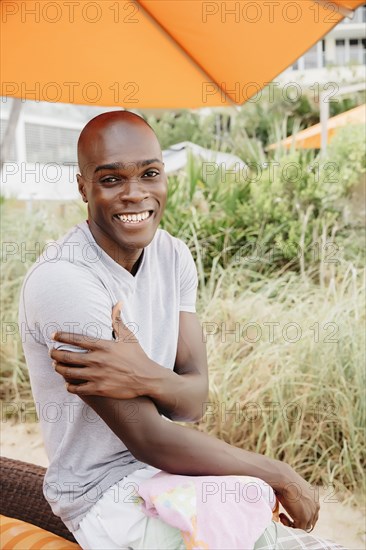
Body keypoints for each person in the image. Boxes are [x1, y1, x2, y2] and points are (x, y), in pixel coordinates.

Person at [19, 111, 345, 550]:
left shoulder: (173, 256)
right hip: (106, 499)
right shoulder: (65, 281)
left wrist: (144, 375)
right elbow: (150, 437)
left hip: (171, 476)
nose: (136, 194)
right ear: (83, 188)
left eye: (150, 174)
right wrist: (282, 476)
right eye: (111, 179)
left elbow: (193, 402)